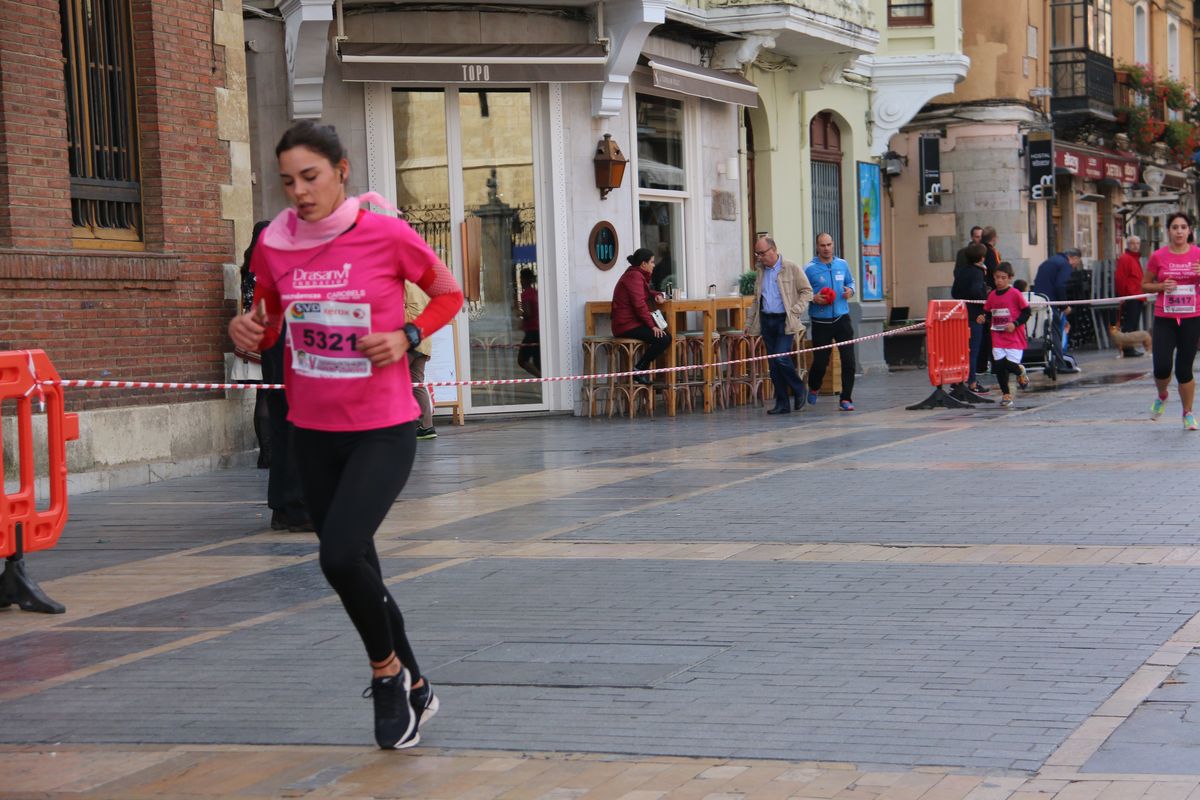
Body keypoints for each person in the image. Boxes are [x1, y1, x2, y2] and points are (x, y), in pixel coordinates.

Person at [228, 120, 464, 749]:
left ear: (341, 173)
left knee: (337, 555)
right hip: (310, 429)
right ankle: (418, 686)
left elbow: (447, 292)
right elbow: (269, 320)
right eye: (288, 181)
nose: (300, 192)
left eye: (311, 177)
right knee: (359, 565)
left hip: (382, 429)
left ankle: (386, 675)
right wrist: (247, 332)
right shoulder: (275, 246)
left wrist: (408, 337)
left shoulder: (385, 233)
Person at [1142, 211, 1200, 430]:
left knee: (1184, 368)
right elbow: (1144, 285)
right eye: (1175, 227)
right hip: (1165, 317)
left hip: (1192, 317)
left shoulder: (1197, 254)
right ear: (1168, 231)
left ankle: (1188, 413)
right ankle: (1162, 394)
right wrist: (1160, 286)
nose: (1179, 231)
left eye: (1183, 227)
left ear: (1189, 231)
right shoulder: (1159, 256)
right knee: (1162, 367)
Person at [745, 236, 813, 414]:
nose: (759, 257)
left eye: (762, 253)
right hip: (766, 320)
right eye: (757, 254)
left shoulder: (790, 267)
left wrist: (795, 310)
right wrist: (749, 322)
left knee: (781, 357)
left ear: (773, 250)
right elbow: (756, 299)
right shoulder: (760, 271)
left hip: (785, 320)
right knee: (773, 365)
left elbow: (807, 291)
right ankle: (782, 403)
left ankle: (799, 389)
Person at [804, 232, 858, 411]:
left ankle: (846, 398)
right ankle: (814, 386)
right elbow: (802, 292)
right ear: (817, 247)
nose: (826, 249)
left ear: (833, 245)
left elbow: (851, 283)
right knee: (820, 362)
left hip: (842, 319)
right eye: (822, 245)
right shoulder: (809, 269)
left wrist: (850, 291)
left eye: (829, 245)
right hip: (821, 322)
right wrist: (814, 298)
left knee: (849, 361)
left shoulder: (842, 264)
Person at [612, 247, 669, 386]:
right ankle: (638, 370)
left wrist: (658, 295)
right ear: (643, 264)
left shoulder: (636, 275)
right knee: (663, 338)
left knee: (664, 337)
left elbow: (646, 293)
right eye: (652, 262)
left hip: (629, 323)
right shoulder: (634, 276)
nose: (654, 265)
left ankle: (639, 369)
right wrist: (652, 326)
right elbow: (639, 305)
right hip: (625, 325)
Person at [981, 262, 1031, 408]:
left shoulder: (1015, 293)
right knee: (999, 366)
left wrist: (1014, 324)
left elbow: (1027, 312)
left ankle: (1018, 370)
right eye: (997, 278)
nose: (999, 281)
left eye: (1003, 278)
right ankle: (1006, 394)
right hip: (997, 335)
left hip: (1014, 336)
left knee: (1008, 366)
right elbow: (988, 312)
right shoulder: (992, 295)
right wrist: (983, 317)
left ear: (1010, 278)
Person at [1033, 247, 1082, 373]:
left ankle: (1048, 362)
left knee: (1044, 333)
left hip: (1039, 300)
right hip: (1051, 302)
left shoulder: (1050, 261)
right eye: (1077, 262)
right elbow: (1060, 285)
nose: (1076, 265)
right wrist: (1064, 306)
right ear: (1073, 258)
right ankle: (1060, 364)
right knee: (1055, 332)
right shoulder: (1065, 264)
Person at [952, 242, 990, 394]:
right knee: (972, 350)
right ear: (981, 258)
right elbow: (975, 290)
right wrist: (985, 296)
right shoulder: (977, 272)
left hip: (960, 312)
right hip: (974, 314)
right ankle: (972, 382)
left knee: (960, 349)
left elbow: (955, 292)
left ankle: (958, 379)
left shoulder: (961, 270)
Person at [404, 282, 437, 440]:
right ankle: (426, 426)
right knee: (417, 382)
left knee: (391, 378)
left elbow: (401, 308)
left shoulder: (403, 283)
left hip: (408, 338)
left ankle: (393, 424)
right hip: (424, 338)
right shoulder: (423, 286)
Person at [1115, 236, 1146, 356]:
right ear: (1128, 245)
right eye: (1133, 243)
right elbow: (1120, 278)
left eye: (1138, 243)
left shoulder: (1134, 258)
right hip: (1131, 296)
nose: (1136, 246)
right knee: (1129, 324)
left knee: (1133, 323)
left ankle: (1130, 348)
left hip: (1137, 294)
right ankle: (1128, 349)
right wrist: (1122, 296)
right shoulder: (1125, 258)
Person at [516, 268, 541, 378]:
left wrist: (518, 312)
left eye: (521, 278)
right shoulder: (535, 293)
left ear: (525, 280)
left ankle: (541, 378)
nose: (520, 281)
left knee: (522, 360)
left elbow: (528, 313)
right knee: (537, 361)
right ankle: (544, 379)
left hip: (531, 332)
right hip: (537, 330)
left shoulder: (526, 294)